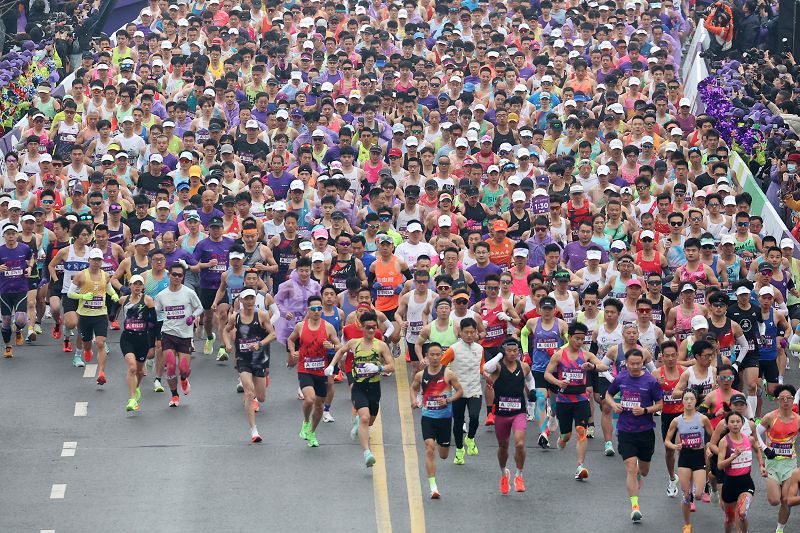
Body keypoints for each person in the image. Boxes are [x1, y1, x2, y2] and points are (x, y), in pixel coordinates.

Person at [605, 348, 664, 524]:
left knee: (643, 471)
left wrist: (645, 410)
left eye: (639, 363)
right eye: (632, 364)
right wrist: (613, 405)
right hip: (625, 430)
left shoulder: (651, 381)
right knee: (631, 467)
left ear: (642, 364)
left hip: (645, 431)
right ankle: (635, 506)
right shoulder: (621, 378)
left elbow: (660, 404)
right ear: (627, 364)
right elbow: (608, 394)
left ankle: (639, 474)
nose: (636, 366)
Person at [544, 321, 609, 480]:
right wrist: (559, 383)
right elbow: (547, 374)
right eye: (577, 338)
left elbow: (604, 366)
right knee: (567, 435)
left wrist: (592, 367)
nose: (580, 342)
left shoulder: (586, 355)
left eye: (582, 339)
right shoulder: (560, 354)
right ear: (569, 337)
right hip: (564, 400)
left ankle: (580, 466)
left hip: (581, 399)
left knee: (581, 431)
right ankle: (562, 438)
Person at [327, 311, 392, 466]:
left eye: (373, 327)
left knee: (370, 420)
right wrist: (331, 365)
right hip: (359, 386)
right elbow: (340, 351)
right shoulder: (354, 343)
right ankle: (367, 453)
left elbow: (392, 366)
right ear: (362, 327)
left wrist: (379, 367)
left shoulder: (381, 345)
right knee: (364, 417)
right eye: (368, 327)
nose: (371, 330)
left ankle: (359, 423)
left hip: (374, 387)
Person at [410, 341, 463, 499]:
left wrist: (448, 400)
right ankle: (433, 487)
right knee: (429, 447)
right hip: (428, 418)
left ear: (442, 356)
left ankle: (443, 444)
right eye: (431, 355)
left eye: (437, 355)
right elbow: (413, 388)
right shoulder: (421, 375)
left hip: (445, 419)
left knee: (444, 454)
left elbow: (460, 391)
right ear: (426, 356)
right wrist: (414, 400)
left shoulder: (448, 374)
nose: (434, 358)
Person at [287, 295, 341, 448]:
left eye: (319, 309)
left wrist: (331, 346)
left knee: (319, 406)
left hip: (321, 371)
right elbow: (290, 340)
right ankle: (305, 422)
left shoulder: (328, 327)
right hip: (304, 369)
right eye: (313, 309)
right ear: (308, 310)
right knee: (309, 399)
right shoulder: (300, 326)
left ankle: (312, 432)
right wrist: (293, 352)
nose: (317, 312)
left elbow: (339, 346)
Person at [222, 288, 276, 443]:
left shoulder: (262, 315)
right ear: (241, 301)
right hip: (243, 358)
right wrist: (227, 344)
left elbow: (273, 334)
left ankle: (262, 382)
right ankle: (254, 430)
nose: (250, 301)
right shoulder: (235, 317)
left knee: (261, 397)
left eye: (252, 298)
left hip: (259, 357)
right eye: (246, 299)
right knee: (248, 393)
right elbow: (226, 331)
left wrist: (260, 344)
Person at [483, 338, 536, 494]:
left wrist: (532, 391)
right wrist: (499, 355)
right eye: (509, 351)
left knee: (519, 444)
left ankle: (519, 474)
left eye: (515, 351)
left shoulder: (524, 367)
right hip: (501, 413)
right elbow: (486, 367)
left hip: (518, 411)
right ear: (504, 351)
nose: (513, 354)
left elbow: (530, 379)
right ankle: (504, 472)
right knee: (503, 446)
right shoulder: (498, 367)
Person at [663, 388, 713, 533]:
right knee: (685, 496)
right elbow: (667, 441)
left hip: (699, 457)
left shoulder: (702, 419)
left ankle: (704, 486)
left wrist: (710, 446)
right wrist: (674, 446)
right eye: (686, 399)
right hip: (684, 457)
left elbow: (713, 435)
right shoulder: (676, 421)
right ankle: (687, 525)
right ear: (682, 401)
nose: (689, 401)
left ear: (696, 401)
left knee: (697, 495)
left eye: (692, 399)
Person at [153, 263, 203, 408]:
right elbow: (155, 313)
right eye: (173, 274)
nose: (176, 277)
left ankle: (183, 378)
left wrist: (192, 317)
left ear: (183, 277)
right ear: (169, 275)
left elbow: (199, 307)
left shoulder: (189, 293)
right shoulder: (161, 295)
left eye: (179, 275)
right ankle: (174, 395)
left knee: (183, 369)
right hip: (168, 333)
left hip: (185, 336)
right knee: (170, 366)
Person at [68, 247, 120, 385]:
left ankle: (101, 372)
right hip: (85, 314)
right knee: (86, 342)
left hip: (100, 314)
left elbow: (108, 288)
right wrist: (82, 296)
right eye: (94, 260)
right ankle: (87, 349)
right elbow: (69, 294)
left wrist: (114, 294)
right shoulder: (81, 275)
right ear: (89, 260)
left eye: (99, 260)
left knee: (101, 342)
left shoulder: (105, 275)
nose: (97, 262)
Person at [441, 317, 485, 465]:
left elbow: (481, 367)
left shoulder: (480, 349)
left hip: (475, 390)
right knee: (458, 423)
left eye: (472, 332)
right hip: (457, 392)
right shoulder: (453, 349)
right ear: (460, 333)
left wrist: (488, 376)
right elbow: (441, 366)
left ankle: (470, 438)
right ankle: (459, 450)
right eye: (466, 332)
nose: (469, 335)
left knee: (474, 417)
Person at [756, 385, 800, 533]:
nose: (785, 401)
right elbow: (756, 433)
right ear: (777, 400)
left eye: (789, 398)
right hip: (773, 464)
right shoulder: (770, 417)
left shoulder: (798, 420)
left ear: (793, 400)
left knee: (786, 500)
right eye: (782, 398)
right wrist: (765, 449)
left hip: (790, 464)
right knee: (774, 500)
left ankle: (780, 529)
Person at [717, 411, 766, 533]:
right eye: (732, 422)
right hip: (729, 484)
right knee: (729, 519)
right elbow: (719, 465)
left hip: (746, 483)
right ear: (727, 424)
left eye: (738, 421)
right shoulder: (724, 441)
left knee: (742, 512)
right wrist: (734, 456)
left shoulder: (749, 439)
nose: (735, 424)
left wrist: (761, 465)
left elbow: (758, 449)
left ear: (742, 423)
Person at [118, 275, 155, 412]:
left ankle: (137, 387)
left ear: (143, 287)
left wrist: (152, 343)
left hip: (143, 339)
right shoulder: (124, 300)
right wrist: (111, 317)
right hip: (127, 338)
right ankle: (132, 398)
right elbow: (113, 310)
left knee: (139, 371)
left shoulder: (148, 300)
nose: (137, 286)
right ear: (130, 285)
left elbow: (154, 322)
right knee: (132, 368)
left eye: (140, 284)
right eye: (135, 284)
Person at [655, 340, 686, 498]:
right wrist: (657, 386)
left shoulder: (685, 372)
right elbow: (650, 396)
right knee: (669, 449)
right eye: (667, 356)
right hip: (667, 415)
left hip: (684, 414)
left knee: (687, 448)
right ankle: (672, 477)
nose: (671, 359)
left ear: (677, 355)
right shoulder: (656, 374)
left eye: (673, 355)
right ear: (662, 357)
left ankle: (688, 478)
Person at [0, 223, 34, 358]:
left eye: (13, 234)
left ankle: (19, 329)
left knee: (20, 320)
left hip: (21, 288)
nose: (11, 236)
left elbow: (31, 257)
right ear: (4, 236)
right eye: (8, 234)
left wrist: (30, 267)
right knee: (6, 321)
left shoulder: (24, 248)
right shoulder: (1, 250)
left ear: (17, 235)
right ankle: (8, 346)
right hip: (5, 290)